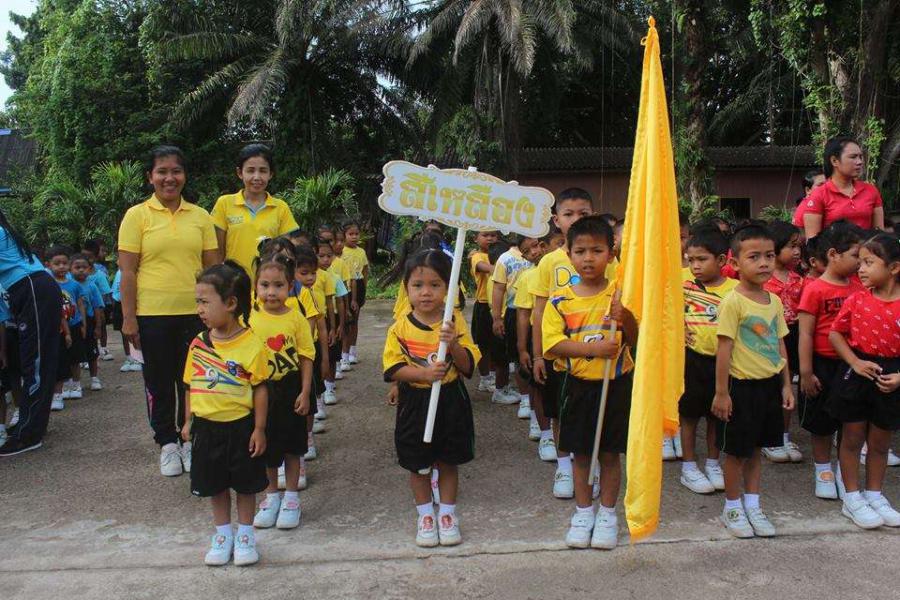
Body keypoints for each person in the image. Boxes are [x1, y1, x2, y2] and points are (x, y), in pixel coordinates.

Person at [118, 145, 219, 477]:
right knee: (158, 382)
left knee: (192, 381)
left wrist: (216, 314)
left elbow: (212, 271)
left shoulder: (200, 216)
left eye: (176, 171)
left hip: (196, 316)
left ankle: (189, 439)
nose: (169, 178)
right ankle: (167, 443)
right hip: (151, 316)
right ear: (150, 177)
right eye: (161, 171)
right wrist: (129, 318)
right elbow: (128, 271)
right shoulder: (136, 216)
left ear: (184, 175)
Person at [542, 216, 637, 550]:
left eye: (597, 250)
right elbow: (553, 344)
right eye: (580, 251)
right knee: (581, 455)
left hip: (616, 385)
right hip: (578, 387)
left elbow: (637, 340)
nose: (588, 258)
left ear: (611, 254)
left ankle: (608, 515)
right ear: (568, 254)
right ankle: (583, 513)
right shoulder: (559, 301)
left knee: (610, 455)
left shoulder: (620, 296)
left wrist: (626, 317)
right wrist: (594, 350)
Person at [384, 248, 479, 547]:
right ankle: (425, 515)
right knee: (418, 463)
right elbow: (393, 368)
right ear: (407, 289)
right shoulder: (400, 328)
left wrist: (453, 345)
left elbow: (468, 366)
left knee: (448, 460)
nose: (426, 292)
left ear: (447, 288)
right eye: (418, 285)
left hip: (451, 400)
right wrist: (424, 374)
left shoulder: (454, 321)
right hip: (415, 402)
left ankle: (447, 514)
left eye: (435, 285)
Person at [181, 261, 269, 566]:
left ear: (231, 303)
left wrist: (259, 428)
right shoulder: (198, 344)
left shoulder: (252, 344)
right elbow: (190, 384)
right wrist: (188, 420)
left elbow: (260, 389)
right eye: (198, 302)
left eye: (205, 302)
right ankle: (222, 535)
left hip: (241, 427)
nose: (199, 310)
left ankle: (245, 534)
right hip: (206, 428)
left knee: (245, 485)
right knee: (214, 485)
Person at [711, 224, 795, 538]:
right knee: (736, 452)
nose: (763, 263)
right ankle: (732, 507)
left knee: (757, 449)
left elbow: (780, 343)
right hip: (740, 388)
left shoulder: (773, 301)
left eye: (769, 256)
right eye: (754, 257)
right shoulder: (732, 302)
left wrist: (785, 384)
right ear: (735, 262)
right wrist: (721, 393)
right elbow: (723, 349)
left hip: (768, 386)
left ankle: (753, 504)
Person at [828, 233, 900, 529]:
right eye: (860, 262)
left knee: (880, 443)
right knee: (852, 439)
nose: (861, 268)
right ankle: (852, 497)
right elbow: (835, 333)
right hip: (858, 373)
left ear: (894, 268)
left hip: (891, 377)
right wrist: (854, 362)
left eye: (869, 262)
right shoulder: (857, 299)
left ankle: (874, 495)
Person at [531, 188, 593, 500]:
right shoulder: (549, 263)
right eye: (569, 214)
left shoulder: (607, 258)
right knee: (559, 413)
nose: (576, 219)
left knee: (592, 412)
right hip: (558, 355)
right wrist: (538, 355)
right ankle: (565, 467)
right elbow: (538, 312)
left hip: (595, 356)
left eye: (584, 213)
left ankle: (591, 465)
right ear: (556, 220)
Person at [797, 221, 864, 500]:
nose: (860, 262)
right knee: (821, 422)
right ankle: (823, 470)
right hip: (822, 364)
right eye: (856, 256)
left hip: (851, 364)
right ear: (834, 254)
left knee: (848, 421)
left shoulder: (859, 287)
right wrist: (806, 371)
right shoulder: (815, 289)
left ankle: (842, 471)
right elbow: (805, 333)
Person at [248, 253, 315, 531]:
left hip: (290, 388)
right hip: (262, 390)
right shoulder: (250, 318)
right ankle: (271, 496)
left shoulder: (296, 318)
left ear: (290, 287)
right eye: (264, 285)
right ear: (256, 287)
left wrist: (305, 391)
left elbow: (306, 356)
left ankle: (291, 499)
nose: (271, 292)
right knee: (267, 446)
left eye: (278, 285)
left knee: (292, 447)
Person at [678, 226, 736, 494]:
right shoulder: (683, 285)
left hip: (725, 363)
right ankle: (689, 467)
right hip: (691, 360)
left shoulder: (735, 290)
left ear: (722, 260)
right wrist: (679, 329)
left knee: (717, 415)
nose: (695, 266)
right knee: (688, 416)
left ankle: (713, 463)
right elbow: (667, 313)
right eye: (690, 260)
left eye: (702, 259)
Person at [0, 213, 63, 456]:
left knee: (36, 364)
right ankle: (29, 425)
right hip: (29, 292)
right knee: (33, 362)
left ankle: (29, 434)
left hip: (33, 290)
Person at [211, 144, 299, 278]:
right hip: (233, 283)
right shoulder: (224, 203)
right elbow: (218, 252)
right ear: (240, 173)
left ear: (271, 174)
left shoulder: (281, 208)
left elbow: (285, 253)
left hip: (268, 284)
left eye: (263, 171)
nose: (257, 177)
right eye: (250, 171)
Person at [761, 221, 804, 464]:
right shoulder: (763, 278)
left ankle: (784, 435)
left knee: (788, 385)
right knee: (771, 387)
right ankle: (770, 438)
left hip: (793, 335)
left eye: (799, 246)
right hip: (769, 337)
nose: (797, 251)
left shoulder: (799, 279)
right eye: (791, 246)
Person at [514, 230, 554, 455]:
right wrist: (522, 348)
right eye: (530, 248)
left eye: (539, 245)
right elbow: (523, 314)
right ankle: (545, 434)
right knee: (539, 384)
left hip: (566, 337)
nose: (537, 251)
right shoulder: (528, 277)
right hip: (538, 336)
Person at [802, 136, 885, 238]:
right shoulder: (819, 194)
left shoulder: (871, 190)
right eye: (853, 157)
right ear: (834, 161)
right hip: (832, 248)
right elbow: (812, 241)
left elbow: (880, 235)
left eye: (860, 157)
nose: (860, 162)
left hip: (867, 248)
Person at [490, 235, 538, 411]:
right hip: (515, 311)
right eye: (527, 249)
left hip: (541, 311)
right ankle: (525, 399)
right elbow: (498, 288)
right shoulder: (505, 258)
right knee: (519, 356)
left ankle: (537, 401)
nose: (533, 251)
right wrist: (497, 318)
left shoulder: (544, 254)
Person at [46, 246, 87, 401]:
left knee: (75, 357)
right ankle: (62, 387)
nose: (61, 266)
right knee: (61, 358)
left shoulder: (74, 285)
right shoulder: (48, 284)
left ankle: (76, 384)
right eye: (57, 263)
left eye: (64, 263)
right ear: (48, 265)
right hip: (57, 328)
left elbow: (80, 305)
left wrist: (84, 324)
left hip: (74, 324)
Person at [315, 238, 345, 406]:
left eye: (329, 256)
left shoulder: (333, 277)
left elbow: (338, 301)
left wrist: (337, 326)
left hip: (328, 319)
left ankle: (330, 387)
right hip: (313, 322)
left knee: (331, 355)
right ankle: (318, 396)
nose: (326, 260)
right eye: (321, 256)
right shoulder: (306, 277)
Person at [71, 253, 105, 392]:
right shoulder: (69, 285)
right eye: (77, 267)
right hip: (74, 323)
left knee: (92, 352)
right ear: (70, 269)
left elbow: (97, 307)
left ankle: (94, 378)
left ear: (89, 269)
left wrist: (98, 327)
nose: (81, 270)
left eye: (84, 267)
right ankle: (75, 383)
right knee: (74, 354)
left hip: (90, 322)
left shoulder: (92, 286)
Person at [469, 230, 497, 393]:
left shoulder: (501, 255)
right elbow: (484, 267)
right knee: (483, 345)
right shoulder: (477, 256)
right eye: (485, 235)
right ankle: (485, 378)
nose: (490, 238)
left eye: (493, 235)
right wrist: (505, 266)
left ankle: (493, 375)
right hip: (484, 305)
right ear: (476, 238)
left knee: (496, 344)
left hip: (499, 306)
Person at [340, 221, 368, 371]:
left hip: (358, 285)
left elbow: (365, 270)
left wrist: (365, 286)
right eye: (351, 234)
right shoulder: (341, 251)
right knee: (346, 321)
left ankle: (352, 350)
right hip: (344, 287)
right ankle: (343, 355)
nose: (354, 237)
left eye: (356, 234)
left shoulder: (361, 252)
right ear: (344, 235)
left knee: (355, 321)